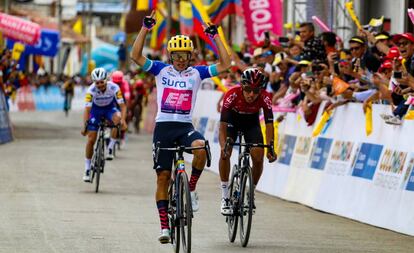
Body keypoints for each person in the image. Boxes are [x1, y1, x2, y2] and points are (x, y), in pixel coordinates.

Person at [130, 11, 231, 243]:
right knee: (163, 178)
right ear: (170, 55)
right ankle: (164, 227)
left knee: (200, 148)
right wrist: (145, 28)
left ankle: (192, 188)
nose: (181, 59)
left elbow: (226, 64)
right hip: (163, 128)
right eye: (176, 55)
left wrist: (215, 36)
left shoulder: (197, 73)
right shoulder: (159, 70)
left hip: (184, 126)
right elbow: (135, 56)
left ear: (190, 56)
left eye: (185, 55)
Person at [218, 68, 277, 215]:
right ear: (242, 86)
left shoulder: (265, 97)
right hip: (232, 121)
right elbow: (222, 127)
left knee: (258, 156)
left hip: (251, 123)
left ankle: (251, 191)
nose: (252, 94)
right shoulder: (231, 94)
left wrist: (270, 147)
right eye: (248, 89)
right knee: (225, 153)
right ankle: (225, 196)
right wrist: (223, 145)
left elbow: (269, 125)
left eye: (256, 90)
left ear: (261, 90)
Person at [81, 68, 127, 182]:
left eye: (102, 82)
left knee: (117, 118)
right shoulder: (90, 90)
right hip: (95, 111)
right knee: (91, 139)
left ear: (106, 80)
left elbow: (123, 106)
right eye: (97, 83)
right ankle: (87, 168)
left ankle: (110, 147)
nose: (100, 85)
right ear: (94, 82)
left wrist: (124, 121)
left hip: (109, 109)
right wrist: (85, 125)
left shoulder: (114, 87)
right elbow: (87, 110)